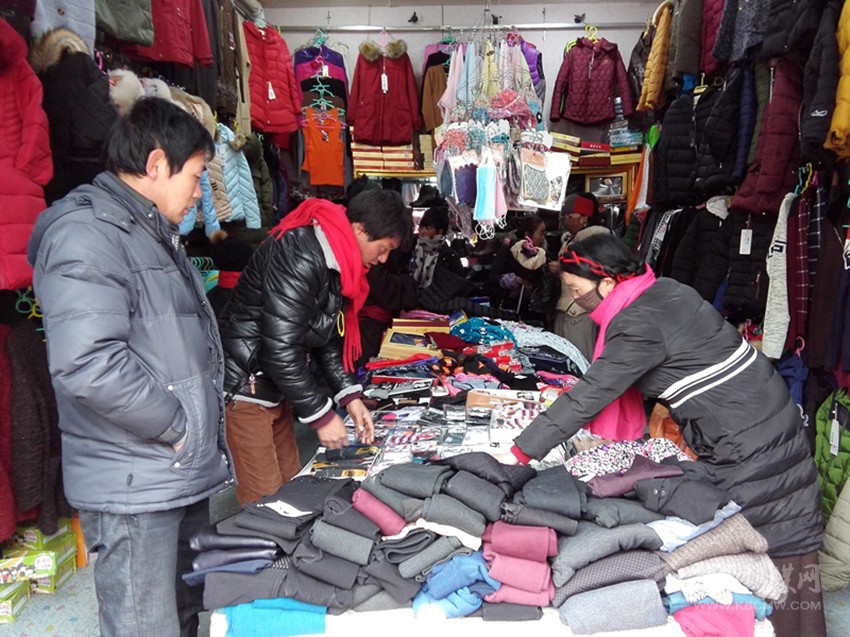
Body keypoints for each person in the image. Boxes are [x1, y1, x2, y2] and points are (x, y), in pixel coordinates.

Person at [500, 234, 825, 637]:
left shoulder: (638, 323)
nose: (576, 300)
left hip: (748, 440)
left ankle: (787, 626)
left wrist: (520, 451)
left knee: (772, 543)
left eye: (577, 290)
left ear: (608, 282)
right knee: (784, 530)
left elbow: (591, 393)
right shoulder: (663, 290)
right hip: (761, 417)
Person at [27, 97, 231, 637]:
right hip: (135, 477)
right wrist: (179, 427)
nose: (199, 192)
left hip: (171, 470)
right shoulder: (86, 235)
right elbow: (88, 363)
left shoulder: (150, 232)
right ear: (157, 164)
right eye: (196, 176)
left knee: (183, 611)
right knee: (145, 624)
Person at [219, 189, 412, 505]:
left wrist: (349, 397)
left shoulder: (337, 262)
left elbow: (326, 339)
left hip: (274, 388)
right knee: (266, 506)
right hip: (246, 388)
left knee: (291, 493)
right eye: (383, 248)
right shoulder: (301, 254)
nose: (383, 259)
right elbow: (279, 347)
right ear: (360, 229)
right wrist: (321, 415)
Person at [550, 192, 611, 362]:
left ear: (584, 218)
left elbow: (593, 270)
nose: (565, 220)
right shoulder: (570, 239)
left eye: (570, 216)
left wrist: (561, 267)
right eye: (564, 216)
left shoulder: (594, 239)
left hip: (579, 309)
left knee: (579, 358)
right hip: (567, 307)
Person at [486, 215, 548, 319]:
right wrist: (515, 280)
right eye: (541, 233)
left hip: (534, 312)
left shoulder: (542, 255)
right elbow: (493, 276)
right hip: (508, 309)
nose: (543, 238)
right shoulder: (510, 250)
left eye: (544, 234)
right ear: (527, 234)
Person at [411, 205, 466, 290]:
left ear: (440, 231)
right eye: (421, 227)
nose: (422, 231)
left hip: (434, 297)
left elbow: (456, 285)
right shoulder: (409, 246)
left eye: (428, 228)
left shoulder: (450, 257)